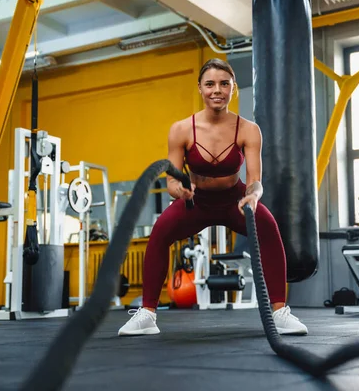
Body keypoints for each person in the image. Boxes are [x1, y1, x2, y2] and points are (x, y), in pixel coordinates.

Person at [118, 58, 308, 336]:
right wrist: (178, 190)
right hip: (196, 202)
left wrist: (253, 196)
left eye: (224, 84)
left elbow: (255, 180)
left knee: (269, 229)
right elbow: (171, 179)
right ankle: (147, 314)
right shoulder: (181, 129)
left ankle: (279, 312)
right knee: (159, 233)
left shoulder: (249, 129)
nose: (217, 90)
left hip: (235, 200)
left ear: (233, 89)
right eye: (210, 84)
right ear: (200, 88)